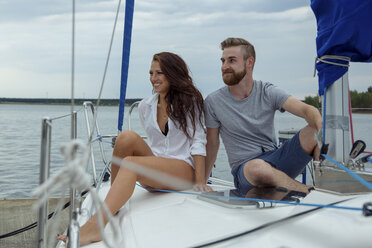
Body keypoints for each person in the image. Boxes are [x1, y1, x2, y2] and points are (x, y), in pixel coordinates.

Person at [58, 52, 209, 246]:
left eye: (159, 73)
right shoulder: (146, 106)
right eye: (151, 73)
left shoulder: (191, 102)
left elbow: (198, 141)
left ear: (173, 73)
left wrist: (200, 183)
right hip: (157, 170)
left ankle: (96, 226)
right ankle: (114, 201)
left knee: (130, 164)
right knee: (125, 137)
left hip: (182, 171)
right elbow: (155, 145)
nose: (153, 79)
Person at [204, 37, 322, 196]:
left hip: (277, 159)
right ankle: (311, 194)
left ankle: (324, 185)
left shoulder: (267, 91)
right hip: (246, 171)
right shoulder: (213, 101)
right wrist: (202, 181)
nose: (225, 66)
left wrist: (320, 129)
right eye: (223, 61)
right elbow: (212, 143)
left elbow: (308, 110)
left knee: (315, 130)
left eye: (231, 60)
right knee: (257, 167)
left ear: (249, 62)